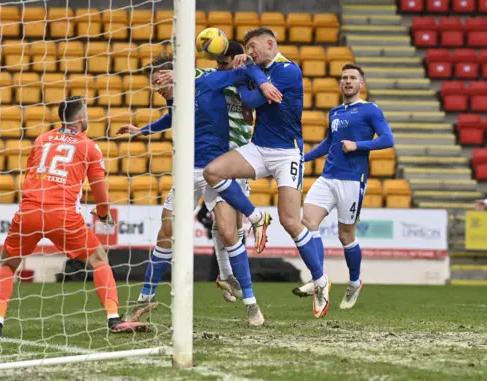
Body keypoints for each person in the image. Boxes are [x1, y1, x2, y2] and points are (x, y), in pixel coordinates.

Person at [117, 47, 278, 326]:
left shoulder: (207, 82)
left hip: (216, 169)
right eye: (153, 84)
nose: (157, 89)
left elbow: (247, 69)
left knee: (229, 232)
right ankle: (145, 299)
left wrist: (262, 82)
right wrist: (142, 130)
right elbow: (172, 118)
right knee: (165, 233)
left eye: (160, 81)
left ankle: (251, 304)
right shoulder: (174, 98)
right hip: (186, 171)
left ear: (174, 75)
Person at [0, 96, 148, 337]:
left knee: (8, 264)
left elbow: (32, 173)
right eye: (87, 113)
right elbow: (101, 192)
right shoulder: (89, 146)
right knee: (99, 259)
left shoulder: (41, 139)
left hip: (29, 211)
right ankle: (113, 319)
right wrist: (102, 214)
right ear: (80, 118)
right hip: (63, 215)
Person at [202, 27, 330, 318]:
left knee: (290, 221)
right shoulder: (258, 68)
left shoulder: (289, 70)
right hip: (259, 148)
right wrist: (250, 72)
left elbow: (252, 101)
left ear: (270, 43)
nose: (250, 51)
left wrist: (249, 73)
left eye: (253, 46)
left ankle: (321, 280)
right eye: (247, 47)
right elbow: (251, 92)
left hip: (287, 154)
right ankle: (255, 215)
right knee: (213, 172)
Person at [154, 42, 260, 303]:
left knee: (231, 225)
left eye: (225, 63)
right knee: (224, 223)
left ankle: (227, 275)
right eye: (218, 63)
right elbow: (182, 100)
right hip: (217, 159)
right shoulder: (211, 78)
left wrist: (249, 66)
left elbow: (259, 88)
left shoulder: (247, 82)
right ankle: (227, 275)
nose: (219, 67)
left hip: (238, 156)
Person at [293, 64, 394, 310]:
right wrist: (302, 158)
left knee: (345, 235)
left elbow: (388, 139)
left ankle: (355, 282)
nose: (347, 81)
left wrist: (358, 145)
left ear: (361, 84)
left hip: (352, 180)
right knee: (307, 223)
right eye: (344, 78)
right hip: (328, 177)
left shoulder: (370, 110)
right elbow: (329, 142)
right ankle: (319, 279)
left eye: (352, 78)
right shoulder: (335, 112)